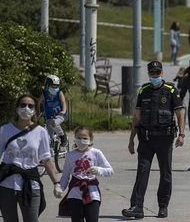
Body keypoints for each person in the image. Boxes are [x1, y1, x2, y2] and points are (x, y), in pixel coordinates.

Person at [122, 61, 185, 219]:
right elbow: (137, 117)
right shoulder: (144, 90)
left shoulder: (170, 90)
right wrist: (131, 140)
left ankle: (163, 206)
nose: (155, 76)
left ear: (162, 73)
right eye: (152, 73)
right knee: (142, 172)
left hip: (165, 139)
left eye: (157, 73)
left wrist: (182, 134)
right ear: (149, 74)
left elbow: (180, 113)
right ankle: (137, 206)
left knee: (165, 173)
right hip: (146, 139)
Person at [0, 94, 62, 222]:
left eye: (30, 106)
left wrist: (56, 183)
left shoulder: (40, 132)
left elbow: (46, 159)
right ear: (17, 108)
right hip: (7, 184)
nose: (26, 108)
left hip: (31, 183)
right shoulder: (4, 130)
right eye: (23, 105)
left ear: (34, 110)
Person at [59, 125, 114, 222]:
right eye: (78, 138)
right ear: (75, 139)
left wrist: (98, 170)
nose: (81, 140)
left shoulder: (96, 153)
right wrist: (60, 188)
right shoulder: (70, 155)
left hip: (92, 193)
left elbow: (110, 170)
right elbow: (65, 175)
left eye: (84, 138)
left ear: (90, 139)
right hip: (74, 193)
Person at [37, 74, 68, 147]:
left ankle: (62, 136)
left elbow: (63, 102)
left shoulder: (59, 93)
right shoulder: (44, 94)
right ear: (47, 85)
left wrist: (63, 111)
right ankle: (50, 150)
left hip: (60, 115)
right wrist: (38, 112)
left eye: (56, 86)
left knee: (54, 123)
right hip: (49, 117)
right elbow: (38, 103)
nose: (55, 88)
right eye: (52, 86)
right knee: (48, 135)